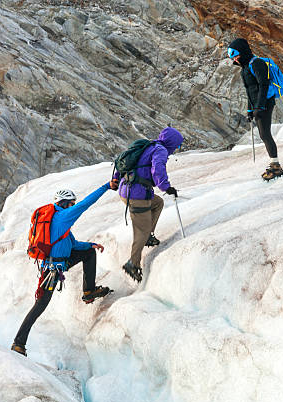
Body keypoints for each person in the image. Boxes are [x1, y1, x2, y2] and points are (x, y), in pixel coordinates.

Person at [11, 180, 118, 357]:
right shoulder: (63, 217)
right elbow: (86, 204)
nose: (73, 207)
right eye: (71, 204)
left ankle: (89, 291)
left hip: (60, 263)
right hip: (52, 269)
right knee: (40, 305)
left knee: (89, 253)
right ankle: (18, 343)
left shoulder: (58, 222)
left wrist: (92, 244)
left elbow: (73, 244)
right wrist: (106, 186)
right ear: (65, 204)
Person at [113, 126, 183, 283]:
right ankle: (133, 263)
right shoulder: (161, 151)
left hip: (128, 189)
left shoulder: (148, 146)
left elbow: (123, 162)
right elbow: (157, 169)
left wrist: (116, 179)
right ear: (171, 143)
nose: (177, 149)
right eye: (177, 145)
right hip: (137, 194)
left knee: (158, 203)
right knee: (141, 230)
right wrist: (166, 187)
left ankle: (148, 237)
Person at [227, 38, 283, 181]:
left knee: (265, 134)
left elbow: (263, 85)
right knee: (263, 134)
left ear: (243, 52)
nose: (234, 59)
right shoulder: (245, 68)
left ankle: (276, 166)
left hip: (265, 103)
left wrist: (259, 106)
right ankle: (274, 164)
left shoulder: (257, 63)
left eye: (235, 55)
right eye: (232, 56)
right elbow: (249, 92)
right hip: (258, 105)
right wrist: (249, 110)